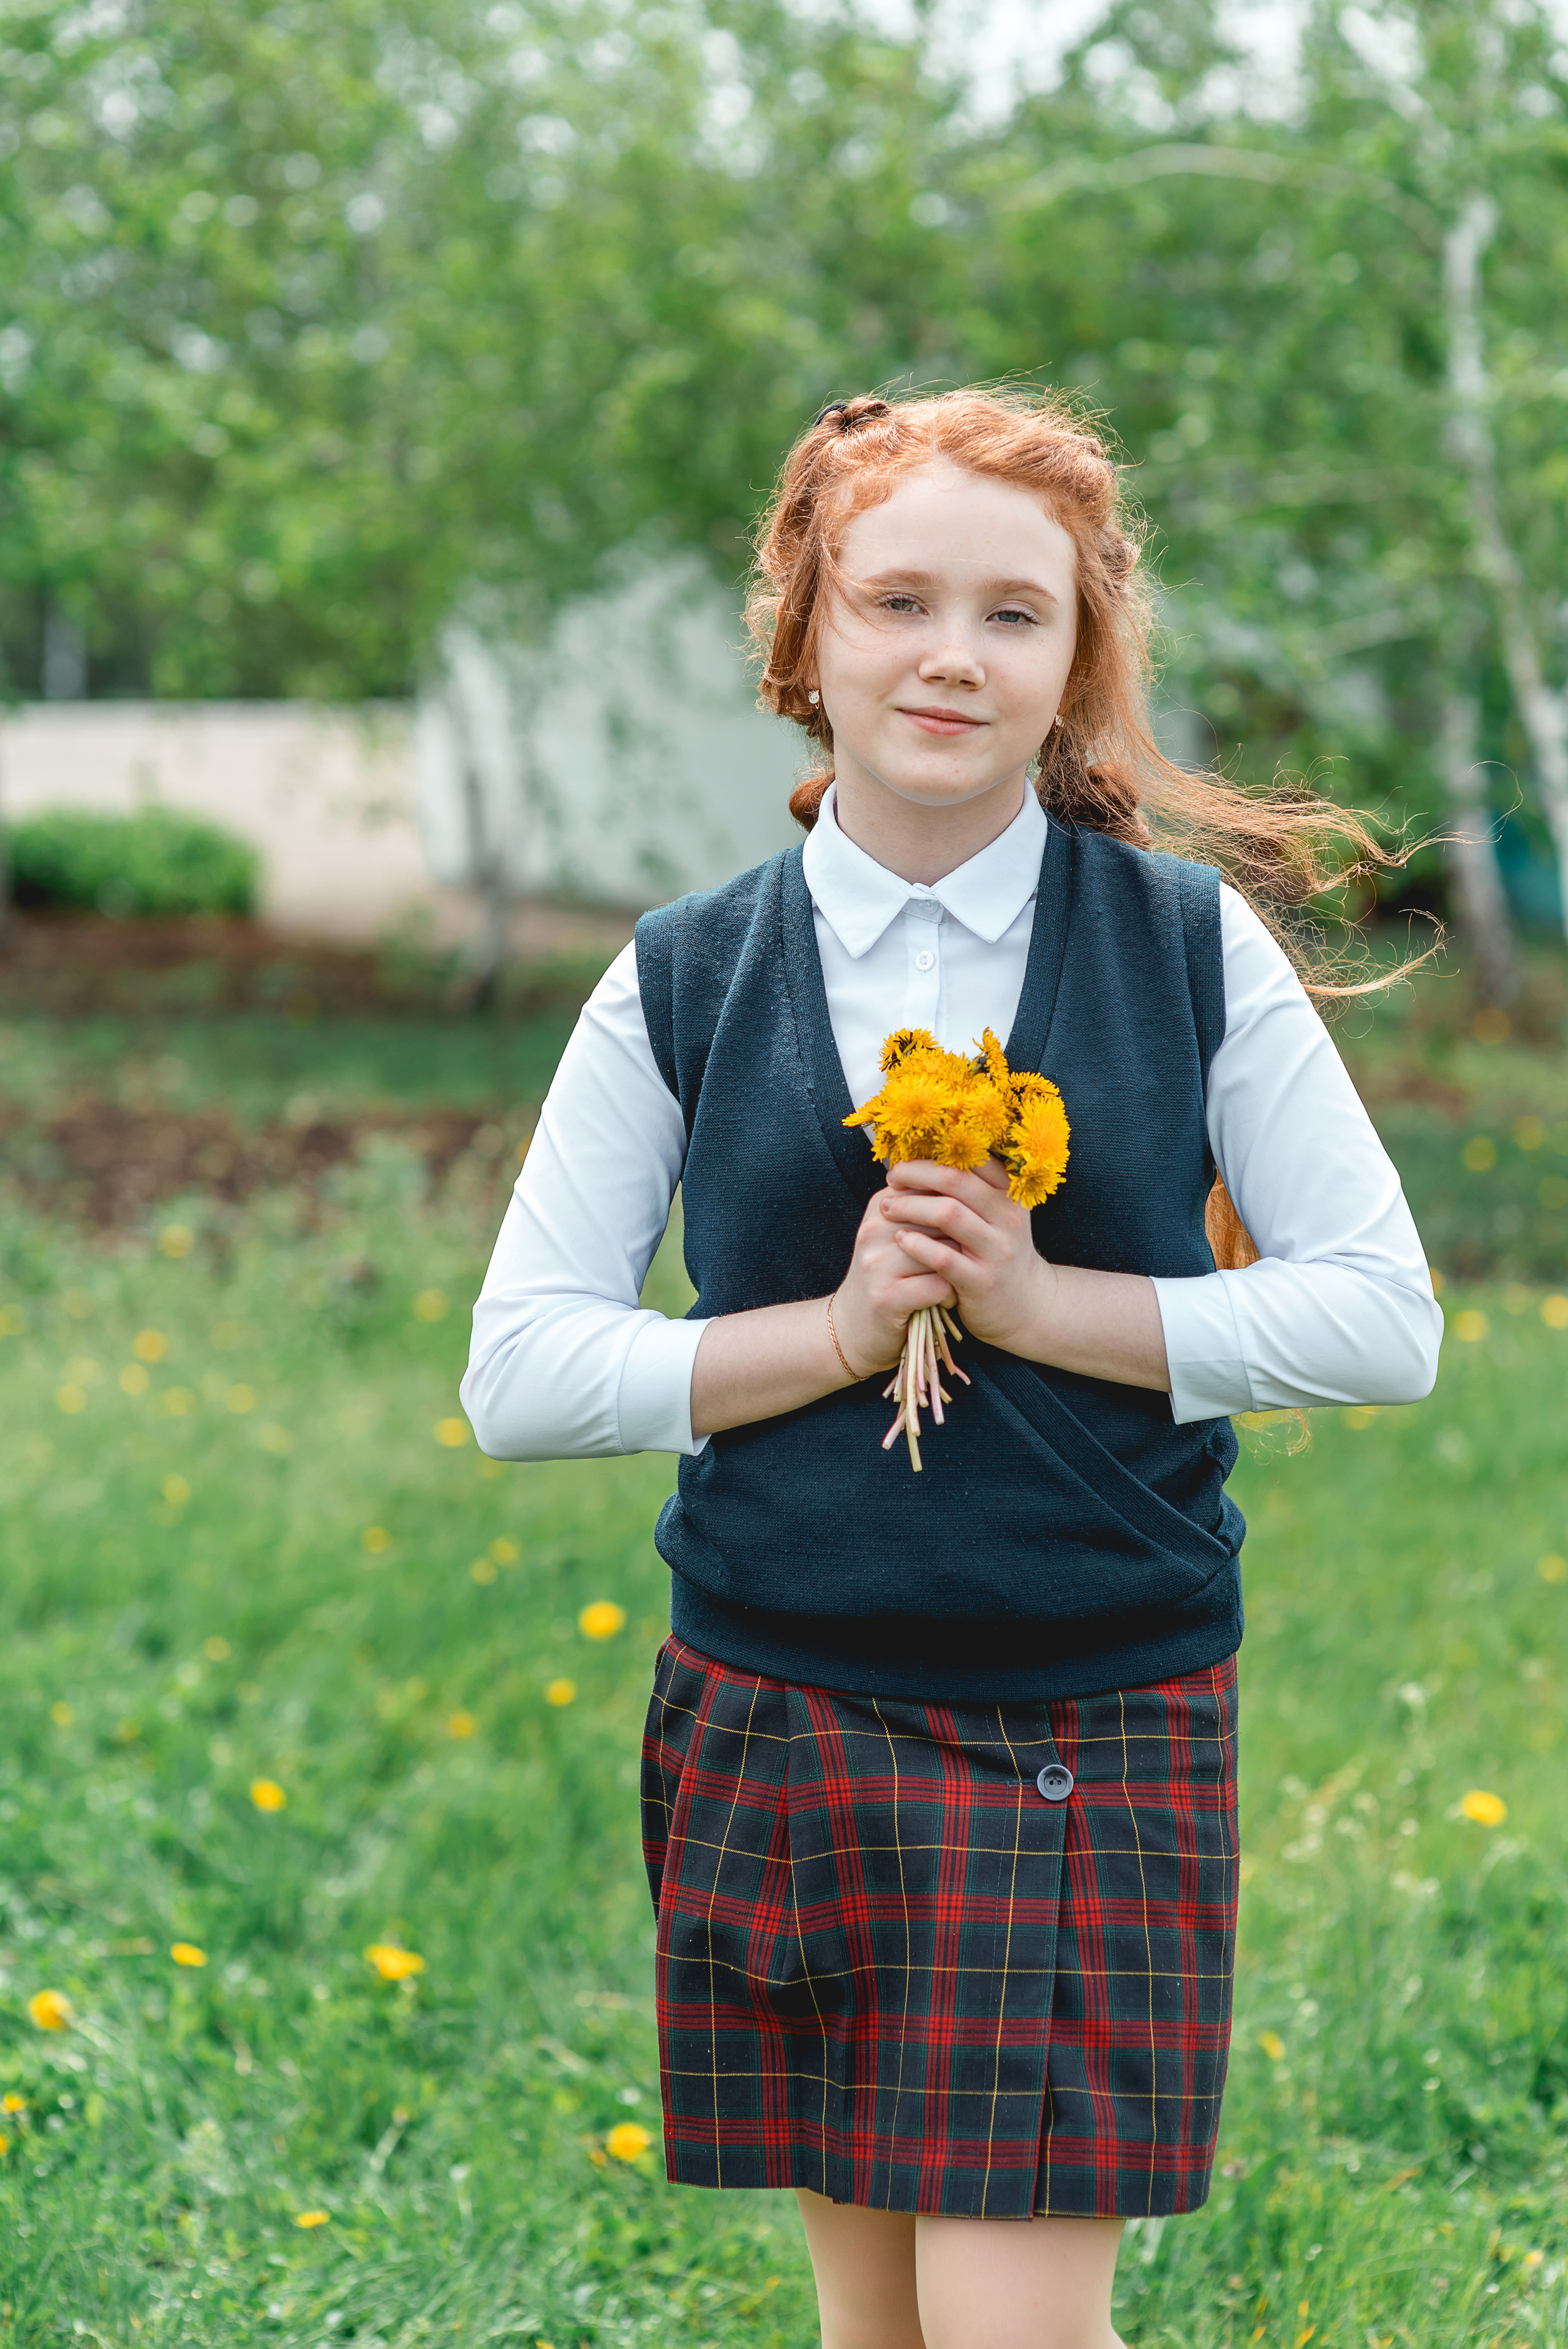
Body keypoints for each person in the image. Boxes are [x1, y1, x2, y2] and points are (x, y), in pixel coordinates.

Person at [461, 389, 1441, 2349]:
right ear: (804, 633)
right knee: (878, 2326)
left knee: (1012, 2329)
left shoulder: (1186, 950)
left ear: (1080, 661)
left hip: (1079, 1709)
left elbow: (1383, 1315)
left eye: (1017, 613)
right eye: (898, 597)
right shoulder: (683, 971)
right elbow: (519, 1370)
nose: (950, 654)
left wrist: (1041, 1306)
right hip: (781, 1701)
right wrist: (832, 1336)